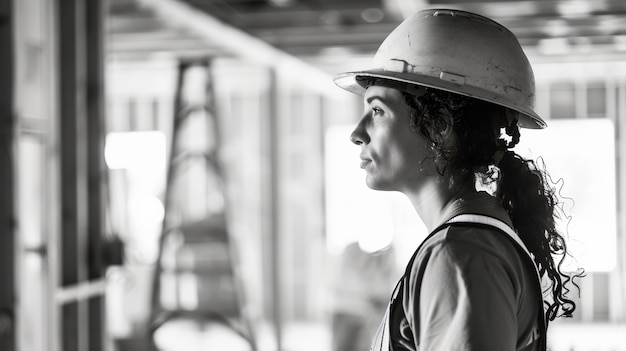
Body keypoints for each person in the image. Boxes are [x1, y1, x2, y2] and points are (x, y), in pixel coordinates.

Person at [333, 8, 583, 351]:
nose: (357, 134)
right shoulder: (466, 247)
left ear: (439, 128)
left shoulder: (461, 255)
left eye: (377, 111)